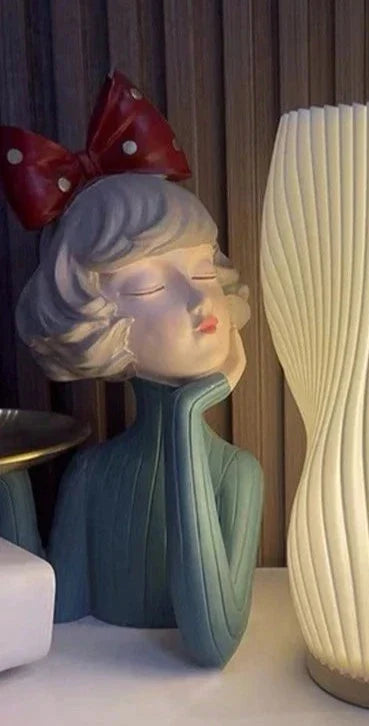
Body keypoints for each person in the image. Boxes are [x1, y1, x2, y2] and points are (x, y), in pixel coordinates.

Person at [0, 72, 263, 667]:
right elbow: (58, 612)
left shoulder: (237, 477)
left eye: (202, 272)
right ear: (93, 323)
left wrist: (189, 412)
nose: (198, 301)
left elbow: (212, 643)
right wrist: (10, 472)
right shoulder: (92, 476)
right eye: (148, 286)